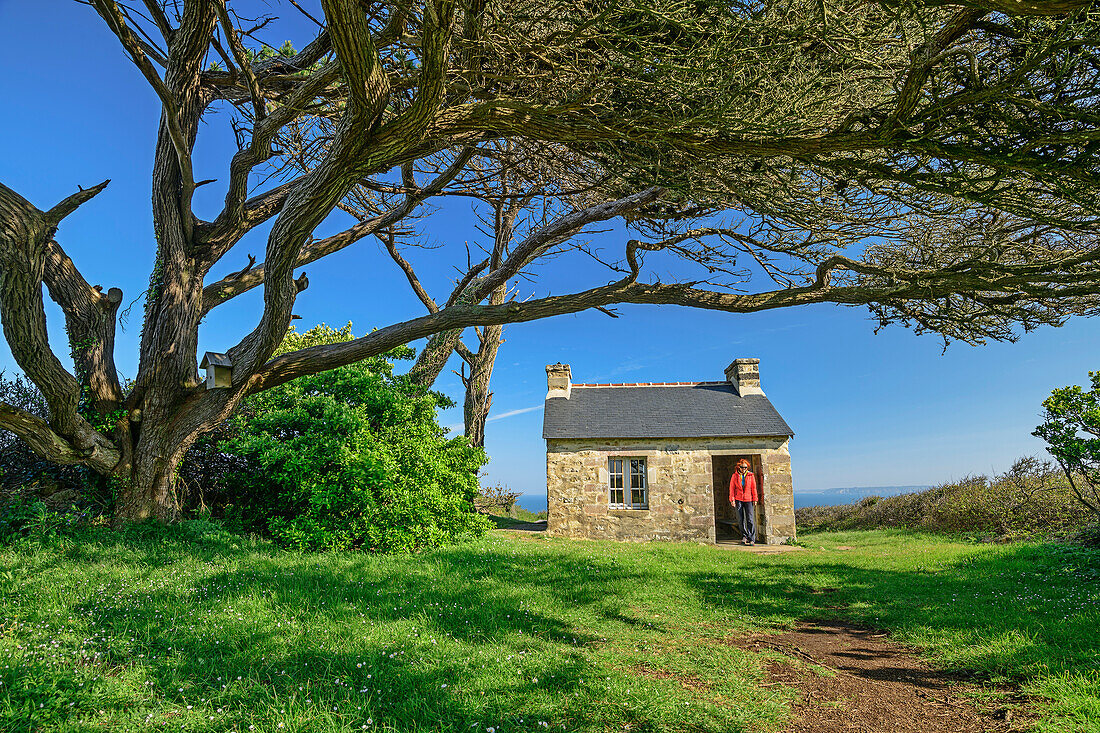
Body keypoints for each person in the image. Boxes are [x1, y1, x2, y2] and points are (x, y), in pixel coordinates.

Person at [729, 458, 758, 545]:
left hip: (748, 499)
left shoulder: (750, 475)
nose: (744, 469)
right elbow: (732, 488)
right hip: (738, 500)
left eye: (745, 467)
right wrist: (732, 500)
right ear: (739, 467)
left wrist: (755, 499)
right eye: (742, 467)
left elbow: (754, 488)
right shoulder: (734, 476)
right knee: (740, 519)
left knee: (750, 519)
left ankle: (751, 538)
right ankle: (744, 536)